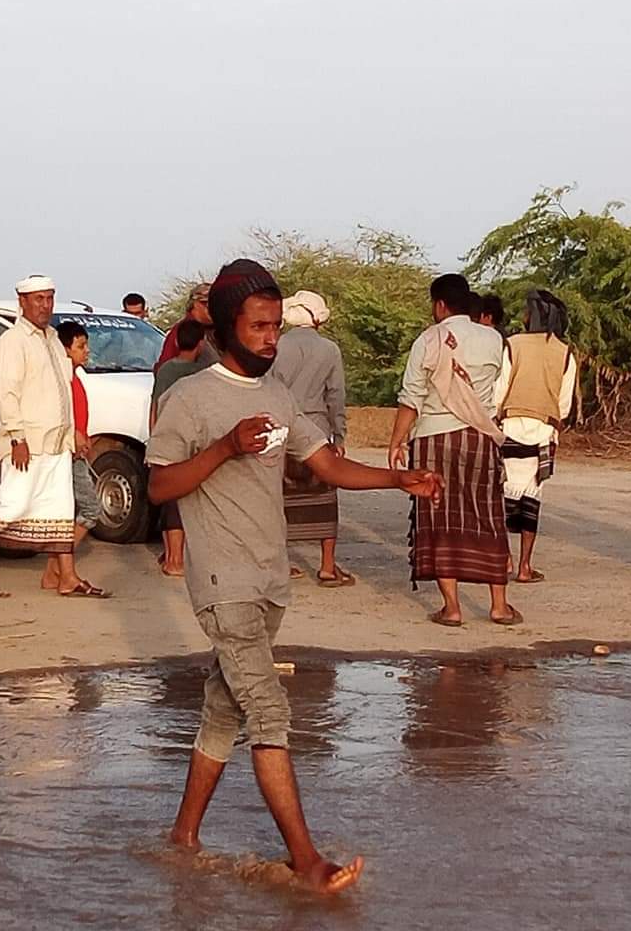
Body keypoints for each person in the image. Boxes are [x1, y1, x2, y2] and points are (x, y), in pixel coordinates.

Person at [146, 258, 442, 895]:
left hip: (270, 581)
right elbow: (159, 485)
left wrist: (401, 480)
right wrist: (224, 446)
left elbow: (326, 465)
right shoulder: (189, 398)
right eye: (259, 327)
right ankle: (306, 861)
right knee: (271, 715)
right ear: (227, 327)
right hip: (223, 585)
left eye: (276, 326)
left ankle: (182, 838)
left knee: (224, 712)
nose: (270, 338)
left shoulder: (278, 394)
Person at [0, 275, 106, 598]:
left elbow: (63, 391)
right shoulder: (13, 341)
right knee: (10, 507)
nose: (44, 305)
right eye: (38, 299)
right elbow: (7, 394)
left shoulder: (53, 338)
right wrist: (17, 438)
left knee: (60, 510)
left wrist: (74, 433)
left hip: (57, 443)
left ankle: (67, 576)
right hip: (28, 444)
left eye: (49, 298)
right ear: (22, 301)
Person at [388, 273, 519, 627]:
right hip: (479, 436)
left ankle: (452, 607)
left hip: (434, 437)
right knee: (487, 515)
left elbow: (411, 397)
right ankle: (500, 606)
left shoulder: (429, 339)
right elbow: (498, 388)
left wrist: (397, 440)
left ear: (440, 305)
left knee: (439, 517)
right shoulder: (494, 339)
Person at [495, 289, 576, 585]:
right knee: (532, 498)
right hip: (543, 431)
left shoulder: (513, 345)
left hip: (510, 426)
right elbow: (564, 404)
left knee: (502, 495)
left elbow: (499, 391)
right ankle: (525, 566)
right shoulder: (565, 352)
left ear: (534, 315)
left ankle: (504, 559)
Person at [271, 290, 350, 586]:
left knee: (278, 495)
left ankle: (282, 561)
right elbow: (336, 395)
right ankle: (327, 566)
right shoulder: (330, 350)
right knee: (325, 495)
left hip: (282, 424)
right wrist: (339, 434)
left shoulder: (277, 345)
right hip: (317, 428)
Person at [54, 320, 110, 594]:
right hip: (68, 453)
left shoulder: (75, 377)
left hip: (76, 451)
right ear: (66, 349)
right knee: (89, 510)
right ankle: (60, 570)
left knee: (71, 512)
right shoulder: (62, 379)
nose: (86, 351)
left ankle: (58, 571)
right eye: (80, 345)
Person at [149, 319, 206, 576]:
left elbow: (155, 405)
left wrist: (154, 438)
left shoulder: (166, 370)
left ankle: (171, 556)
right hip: (192, 440)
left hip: (167, 436)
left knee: (169, 498)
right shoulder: (203, 373)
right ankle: (177, 560)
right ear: (201, 344)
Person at [154, 283, 219, 373]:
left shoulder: (222, 330)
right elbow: (165, 369)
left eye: (216, 303)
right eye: (205, 303)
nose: (211, 307)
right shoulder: (182, 330)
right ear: (194, 304)